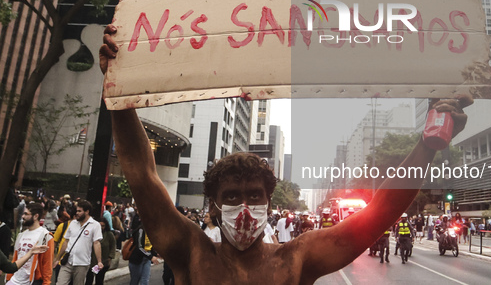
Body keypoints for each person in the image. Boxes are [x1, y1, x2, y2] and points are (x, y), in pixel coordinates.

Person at [98, 24, 471, 283]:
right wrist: (119, 91)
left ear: (268, 199)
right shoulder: (189, 250)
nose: (244, 206)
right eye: (231, 196)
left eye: (253, 195)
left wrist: (427, 146)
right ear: (212, 205)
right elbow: (143, 176)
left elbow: (380, 213)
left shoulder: (296, 259)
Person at [53, 200, 103, 285]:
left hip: (82, 263)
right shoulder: (73, 223)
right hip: (68, 261)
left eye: (80, 211)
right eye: (77, 211)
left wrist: (99, 261)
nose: (77, 213)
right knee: (60, 283)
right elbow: (66, 241)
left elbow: (96, 243)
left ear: (87, 212)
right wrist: (57, 259)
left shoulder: (95, 225)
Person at [6, 203, 54, 285]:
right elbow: (16, 257)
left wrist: (46, 282)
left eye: (26, 214)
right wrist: (9, 277)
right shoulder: (21, 235)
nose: (22, 216)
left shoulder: (45, 236)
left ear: (35, 216)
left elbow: (47, 263)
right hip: (14, 280)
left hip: (31, 281)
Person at [128, 211, 159, 285]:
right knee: (135, 281)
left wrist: (156, 254)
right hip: (137, 259)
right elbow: (140, 247)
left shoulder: (151, 232)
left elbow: (149, 246)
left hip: (146, 259)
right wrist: (151, 257)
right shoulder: (141, 230)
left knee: (145, 280)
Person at [85, 217, 116, 285]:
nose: (101, 227)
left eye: (103, 226)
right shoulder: (91, 233)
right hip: (90, 261)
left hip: (103, 261)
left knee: (99, 280)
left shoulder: (109, 234)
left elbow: (113, 246)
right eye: (100, 225)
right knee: (88, 280)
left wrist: (110, 257)